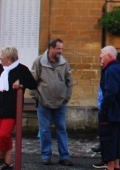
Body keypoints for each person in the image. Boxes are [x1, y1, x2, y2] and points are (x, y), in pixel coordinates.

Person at [0, 46, 38, 170]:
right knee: (3, 135)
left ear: (9, 59)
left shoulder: (21, 69)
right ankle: (8, 162)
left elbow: (33, 84)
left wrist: (21, 83)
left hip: (12, 109)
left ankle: (1, 157)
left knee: (3, 135)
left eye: (2, 56)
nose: (0, 58)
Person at [31, 38, 74, 166]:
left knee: (62, 129)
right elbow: (32, 82)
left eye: (61, 49)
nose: (60, 51)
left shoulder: (64, 63)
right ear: (51, 48)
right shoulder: (39, 62)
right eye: (58, 49)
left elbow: (69, 81)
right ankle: (46, 156)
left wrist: (66, 97)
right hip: (44, 103)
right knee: (44, 130)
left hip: (60, 103)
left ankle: (64, 157)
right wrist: (37, 98)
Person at [93, 46, 120, 170]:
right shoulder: (119, 69)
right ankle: (116, 166)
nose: (100, 57)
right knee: (115, 142)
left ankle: (111, 167)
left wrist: (104, 109)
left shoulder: (111, 70)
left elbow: (111, 92)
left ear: (109, 56)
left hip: (111, 113)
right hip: (117, 113)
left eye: (102, 54)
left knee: (109, 142)